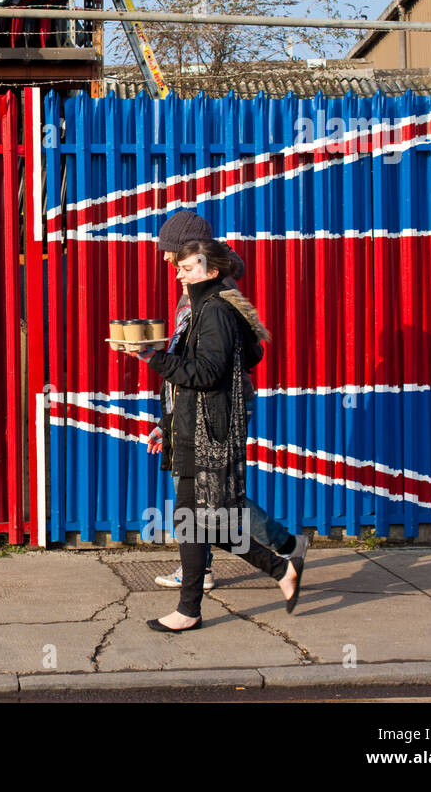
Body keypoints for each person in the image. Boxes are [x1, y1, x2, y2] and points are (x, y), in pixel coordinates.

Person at [124, 239, 303, 630]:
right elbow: (187, 380)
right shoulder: (201, 309)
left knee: (196, 521)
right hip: (190, 427)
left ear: (212, 271)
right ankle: (277, 570)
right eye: (179, 267)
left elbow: (206, 374)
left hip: (207, 432)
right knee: (197, 523)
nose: (179, 274)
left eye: (188, 268)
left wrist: (153, 358)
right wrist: (166, 424)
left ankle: (194, 607)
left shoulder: (216, 311)